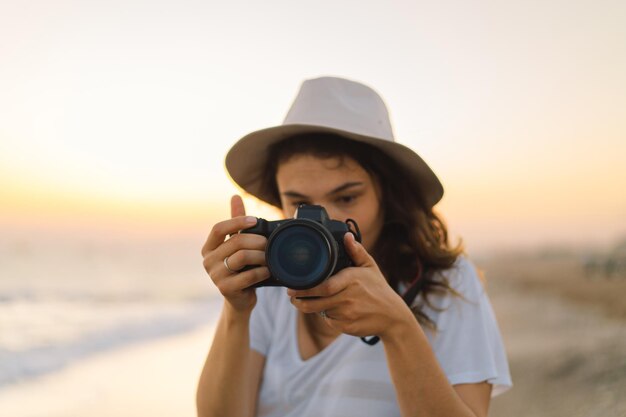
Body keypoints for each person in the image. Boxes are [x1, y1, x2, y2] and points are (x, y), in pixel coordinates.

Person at [197, 76, 512, 417]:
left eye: (346, 197)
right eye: (299, 203)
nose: (320, 220)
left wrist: (397, 327)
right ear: (279, 202)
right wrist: (237, 309)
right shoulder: (269, 286)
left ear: (386, 196)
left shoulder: (446, 283)